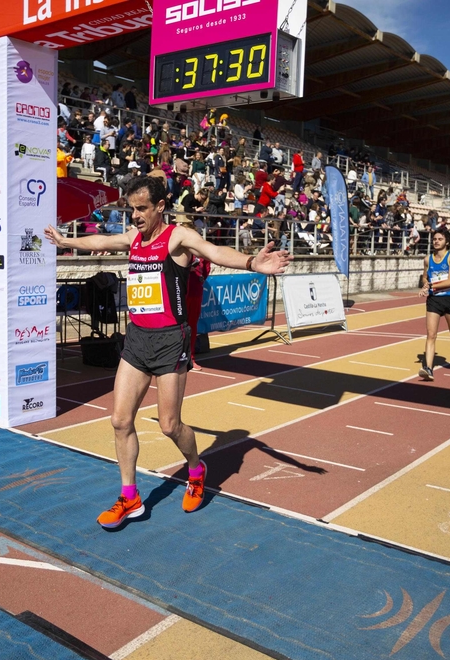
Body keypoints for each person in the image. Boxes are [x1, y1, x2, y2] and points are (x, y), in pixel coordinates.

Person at [43, 176, 290, 529]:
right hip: (137, 340)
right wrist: (67, 240)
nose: (135, 216)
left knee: (169, 424)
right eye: (131, 209)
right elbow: (104, 240)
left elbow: (215, 252)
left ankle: (196, 468)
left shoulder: (178, 237)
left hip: (170, 341)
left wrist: (253, 263)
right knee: (120, 420)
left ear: (160, 207)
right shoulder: (134, 238)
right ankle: (130, 498)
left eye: (141, 209)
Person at [418, 227, 450, 380]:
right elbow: (424, 277)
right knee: (431, 335)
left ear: (446, 241)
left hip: (449, 299)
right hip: (433, 300)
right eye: (434, 239)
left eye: (440, 239)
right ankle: (428, 368)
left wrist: (431, 285)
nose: (436, 241)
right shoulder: (428, 259)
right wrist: (425, 284)